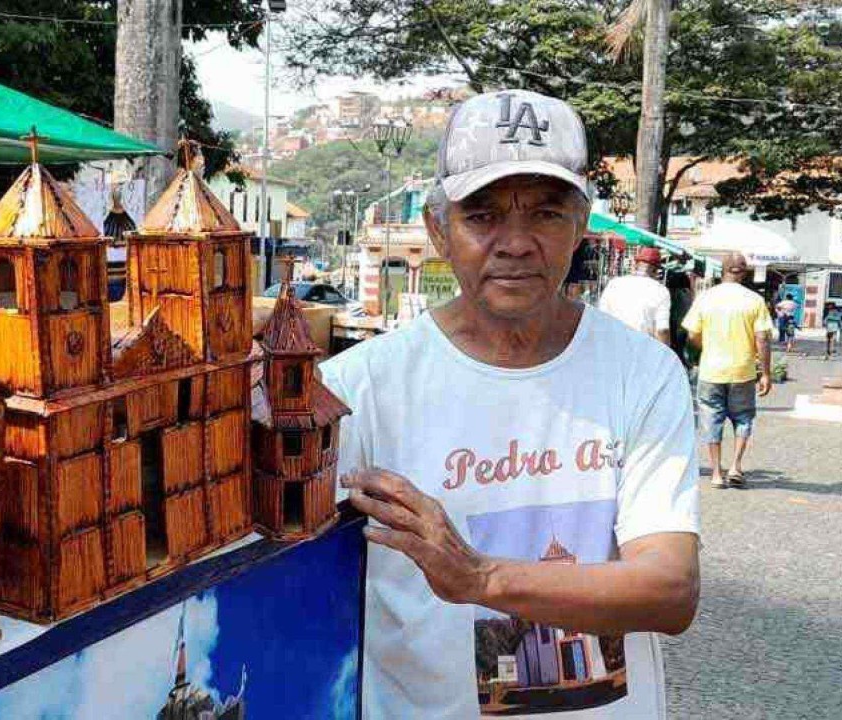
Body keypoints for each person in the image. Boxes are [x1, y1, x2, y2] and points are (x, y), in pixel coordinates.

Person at [321, 89, 699, 719]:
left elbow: (670, 590)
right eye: (483, 215)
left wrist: (482, 579)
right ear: (439, 229)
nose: (516, 242)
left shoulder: (642, 372)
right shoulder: (358, 389)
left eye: (546, 214)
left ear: (580, 227)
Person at [681, 252, 774, 489]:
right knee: (743, 418)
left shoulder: (706, 298)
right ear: (744, 272)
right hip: (743, 370)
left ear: (722, 270)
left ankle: (715, 473)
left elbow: (692, 334)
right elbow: (762, 338)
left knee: (711, 418)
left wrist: (703, 348)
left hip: (711, 370)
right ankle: (735, 466)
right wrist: (765, 372)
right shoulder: (754, 300)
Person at [598, 246, 672, 345]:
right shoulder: (661, 291)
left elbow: (601, 318)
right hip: (641, 349)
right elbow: (662, 330)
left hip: (612, 344)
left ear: (635, 265)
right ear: (656, 271)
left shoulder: (614, 284)